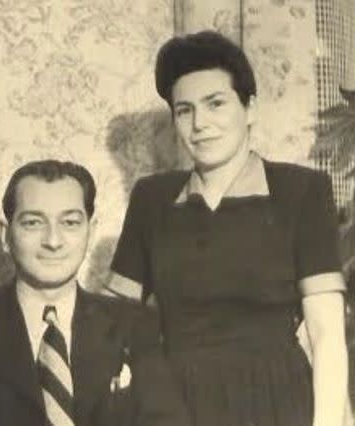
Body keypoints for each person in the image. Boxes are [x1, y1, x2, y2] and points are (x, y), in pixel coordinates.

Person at [107, 30, 348, 426]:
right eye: (184, 110)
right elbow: (112, 317)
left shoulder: (301, 191)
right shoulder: (152, 199)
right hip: (175, 408)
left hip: (278, 402)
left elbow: (326, 333)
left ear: (249, 107)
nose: (200, 124)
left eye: (215, 104)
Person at [0, 160, 190, 426]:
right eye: (33, 223)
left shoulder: (135, 325)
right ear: (5, 234)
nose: (53, 241)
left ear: (90, 232)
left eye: (69, 223)